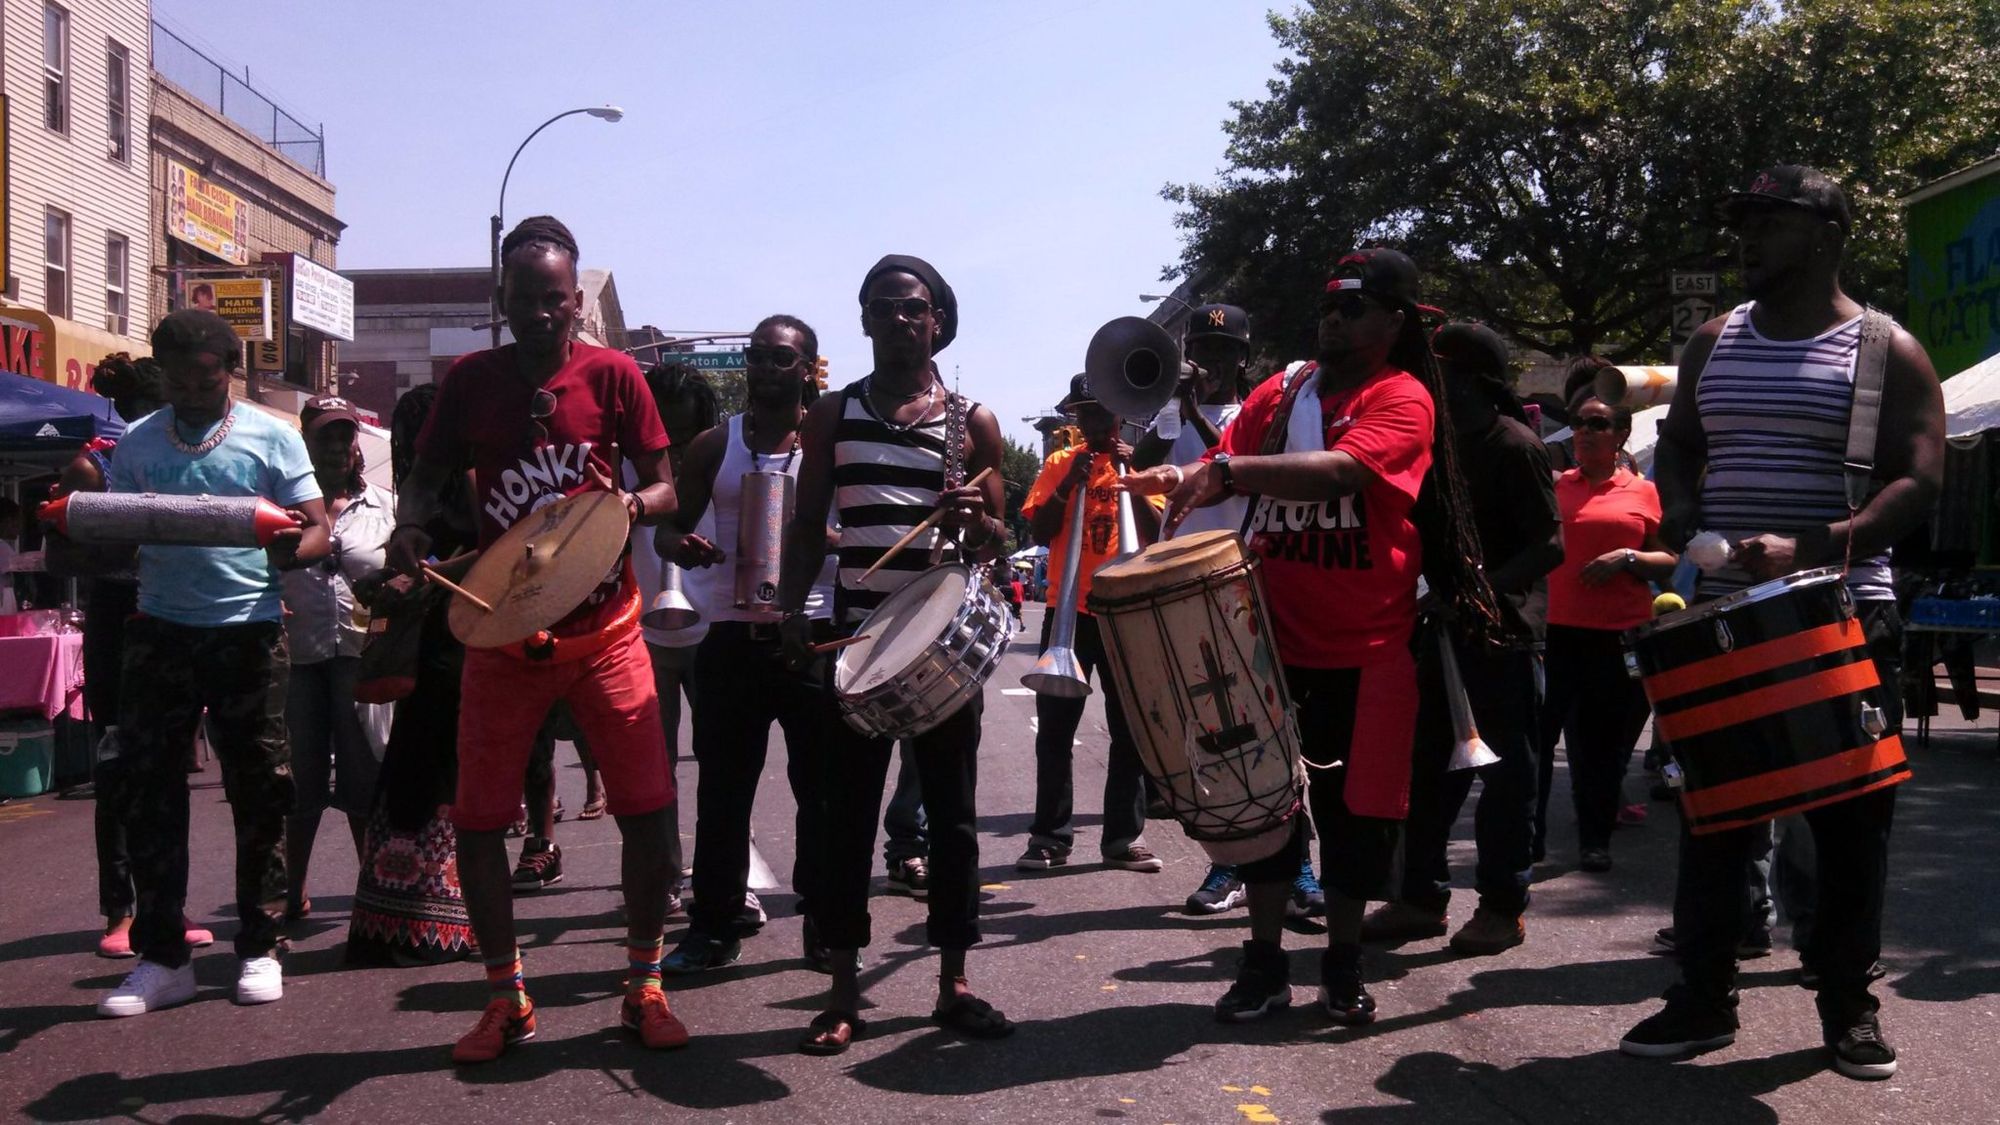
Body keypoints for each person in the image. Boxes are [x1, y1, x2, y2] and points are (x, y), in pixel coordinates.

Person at [1123, 248, 1503, 1024]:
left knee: (1356, 823)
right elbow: (1230, 460)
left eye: (1355, 308)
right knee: (1265, 813)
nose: (1335, 319)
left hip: (1367, 652)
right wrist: (1190, 472)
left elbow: (1339, 472)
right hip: (1264, 646)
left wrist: (1231, 475)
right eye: (1329, 306)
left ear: (1395, 323)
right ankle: (1262, 960)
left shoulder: (1403, 397)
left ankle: (1341, 960)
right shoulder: (1283, 389)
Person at [1623, 166, 1943, 1081]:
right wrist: (1683, 515)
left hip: (1841, 613)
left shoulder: (1887, 350)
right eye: (1743, 221)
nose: (1747, 238)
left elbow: (1918, 482)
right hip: (1722, 614)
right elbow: (1679, 443)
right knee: (1713, 815)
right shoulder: (1714, 340)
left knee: (1848, 826)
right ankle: (1703, 997)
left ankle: (1848, 1004)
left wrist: (1816, 542)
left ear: (1827, 232)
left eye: (1768, 222)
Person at [386, 215, 688, 1063]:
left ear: (576, 298)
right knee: (482, 820)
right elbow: (428, 473)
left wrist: (627, 506)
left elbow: (666, 487)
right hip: (504, 631)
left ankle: (644, 983)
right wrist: (411, 526)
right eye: (525, 300)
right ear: (503, 301)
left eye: (556, 299)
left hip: (608, 628)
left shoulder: (617, 375)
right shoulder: (472, 381)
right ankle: (504, 994)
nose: (541, 314)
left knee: (652, 818)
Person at [776, 254, 1012, 1054]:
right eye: (883, 307)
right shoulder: (833, 416)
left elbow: (996, 546)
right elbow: (809, 524)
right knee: (844, 820)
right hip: (858, 648)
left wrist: (980, 514)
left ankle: (954, 982)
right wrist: (788, 608)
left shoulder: (971, 423)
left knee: (953, 820)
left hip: (940, 652)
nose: (899, 319)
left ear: (937, 321)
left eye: (914, 308)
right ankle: (843, 991)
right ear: (866, 320)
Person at [78, 310, 333, 1017]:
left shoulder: (271, 436)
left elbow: (317, 527)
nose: (192, 390)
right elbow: (114, 532)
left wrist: (294, 550)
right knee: (150, 789)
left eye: (207, 377)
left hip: (247, 633)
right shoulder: (136, 442)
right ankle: (163, 956)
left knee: (260, 789)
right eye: (180, 379)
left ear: (230, 370)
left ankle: (259, 943)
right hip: (160, 630)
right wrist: (84, 529)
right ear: (162, 374)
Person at [1362, 322, 1559, 956]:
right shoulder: (1436, 446)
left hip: (1502, 638)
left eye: (1437, 371)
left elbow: (1549, 546)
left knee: (1507, 786)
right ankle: (1421, 898)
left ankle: (1503, 908)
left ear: (1469, 380)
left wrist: (1477, 591)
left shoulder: (1515, 446)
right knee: (1424, 777)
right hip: (1439, 636)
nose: (1425, 380)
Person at [658, 314, 837, 973]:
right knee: (724, 789)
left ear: (808, 369)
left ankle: (823, 920)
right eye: (757, 356)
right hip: (731, 637)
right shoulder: (715, 444)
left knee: (819, 788)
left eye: (780, 358)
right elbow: (666, 531)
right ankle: (713, 923)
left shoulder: (827, 446)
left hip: (809, 633)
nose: (765, 368)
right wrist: (688, 545)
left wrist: (820, 540)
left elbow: (847, 525)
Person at [1133, 303, 1324, 918]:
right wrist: (1172, 406)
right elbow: (1143, 472)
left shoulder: (1266, 411)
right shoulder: (1166, 414)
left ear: (1243, 357)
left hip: (1254, 583)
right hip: (1191, 590)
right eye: (1200, 349)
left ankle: (1298, 867)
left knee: (1281, 731)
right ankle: (1229, 866)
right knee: (1219, 735)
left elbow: (1234, 468)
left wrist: (1193, 411)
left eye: (1221, 351)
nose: (1208, 361)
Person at [45, 354, 215, 960]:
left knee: (167, 769)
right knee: (119, 763)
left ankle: (162, 904)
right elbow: (61, 559)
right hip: (121, 621)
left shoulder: (187, 458)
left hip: (176, 617)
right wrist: (131, 548)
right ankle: (119, 911)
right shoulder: (92, 463)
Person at [346, 383, 479, 967]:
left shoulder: (468, 480)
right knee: (424, 768)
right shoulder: (428, 491)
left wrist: (426, 575)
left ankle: (435, 918)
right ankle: (417, 918)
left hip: (460, 634)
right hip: (435, 638)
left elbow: (498, 549)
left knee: (439, 768)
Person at [1015, 374, 1166, 875]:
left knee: (1130, 731)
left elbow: (1156, 531)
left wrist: (1130, 473)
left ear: (1120, 414)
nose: (1092, 422)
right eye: (1083, 414)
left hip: (1126, 612)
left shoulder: (1140, 462)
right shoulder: (1061, 462)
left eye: (1100, 412)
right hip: (1068, 613)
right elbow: (1038, 529)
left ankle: (1124, 838)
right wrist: (1071, 481)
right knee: (1055, 732)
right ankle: (1049, 838)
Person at [1538, 386, 1676, 873]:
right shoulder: (1556, 486)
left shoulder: (1642, 491)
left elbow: (1668, 560)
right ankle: (1528, 842)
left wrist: (1628, 557)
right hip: (1554, 633)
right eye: (1578, 423)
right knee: (1537, 743)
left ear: (1621, 435)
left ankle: (1595, 839)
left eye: (1597, 424)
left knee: (1600, 747)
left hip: (1616, 636)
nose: (1584, 432)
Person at [281, 396, 396, 923]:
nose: (335, 447)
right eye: (324, 436)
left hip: (358, 656)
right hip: (294, 657)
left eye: (343, 437)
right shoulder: (281, 506)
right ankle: (291, 890)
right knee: (298, 781)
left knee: (362, 777)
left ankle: (370, 887)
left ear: (356, 446)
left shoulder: (385, 507)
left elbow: (406, 574)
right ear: (306, 442)